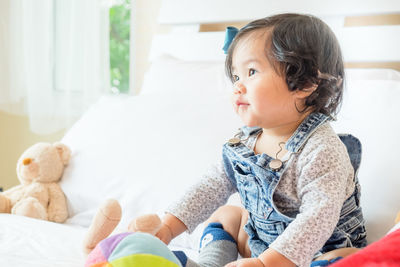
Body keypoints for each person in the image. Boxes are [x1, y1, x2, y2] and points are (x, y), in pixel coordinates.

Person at [84, 13, 367, 267]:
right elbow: (209, 187)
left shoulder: (323, 149)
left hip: (317, 251)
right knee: (226, 215)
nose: (238, 86)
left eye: (251, 72)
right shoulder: (243, 144)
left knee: (348, 260)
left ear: (304, 84)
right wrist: (166, 229)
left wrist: (268, 263)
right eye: (235, 76)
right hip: (262, 245)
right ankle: (211, 263)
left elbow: (317, 219)